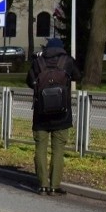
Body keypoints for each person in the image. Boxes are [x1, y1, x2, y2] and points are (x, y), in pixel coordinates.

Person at [26, 37, 82, 195]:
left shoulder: (38, 61)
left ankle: (42, 184)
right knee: (58, 150)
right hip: (62, 114)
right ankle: (54, 185)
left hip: (40, 114)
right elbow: (78, 76)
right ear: (61, 48)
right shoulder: (67, 61)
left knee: (40, 149)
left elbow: (29, 81)